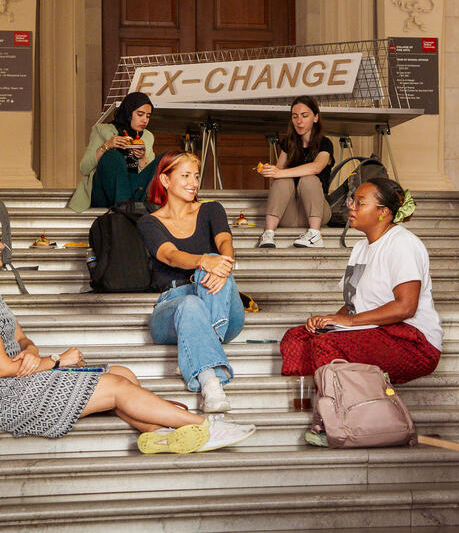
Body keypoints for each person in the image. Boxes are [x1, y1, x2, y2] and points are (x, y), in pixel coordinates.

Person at [0, 213, 253, 454]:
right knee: (118, 388)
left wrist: (28, 353)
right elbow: (1, 369)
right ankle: (205, 426)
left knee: (123, 374)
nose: (2, 245)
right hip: (3, 396)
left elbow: (23, 340)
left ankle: (162, 434)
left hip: (23, 378)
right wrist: (58, 361)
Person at [279, 178, 442, 390]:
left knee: (326, 345)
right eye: (351, 201)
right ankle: (322, 402)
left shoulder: (402, 243)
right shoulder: (360, 248)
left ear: (383, 212)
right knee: (296, 338)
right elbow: (353, 304)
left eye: (360, 203)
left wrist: (349, 322)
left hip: (412, 341)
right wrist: (328, 320)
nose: (351, 208)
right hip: (371, 329)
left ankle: (342, 411)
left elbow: (405, 307)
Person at [138, 151, 248, 415]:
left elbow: (225, 243)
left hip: (221, 302)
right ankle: (211, 383)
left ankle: (198, 346)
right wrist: (203, 262)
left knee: (213, 258)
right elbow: (170, 255)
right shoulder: (149, 222)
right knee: (190, 302)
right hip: (173, 306)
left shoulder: (211, 209)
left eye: (196, 176)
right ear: (165, 180)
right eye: (185, 175)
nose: (193, 182)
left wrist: (221, 265)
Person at [256, 96, 335, 249]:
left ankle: (315, 234)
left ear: (316, 117)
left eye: (304, 116)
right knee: (282, 180)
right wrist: (271, 172)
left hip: (317, 212)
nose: (299, 121)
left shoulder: (325, 143)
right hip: (289, 215)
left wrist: (279, 172)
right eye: (295, 116)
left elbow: (316, 167)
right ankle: (268, 234)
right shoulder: (288, 143)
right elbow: (276, 177)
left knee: (309, 179)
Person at [69, 92, 159, 211]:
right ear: (128, 113)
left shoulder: (147, 137)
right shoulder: (102, 130)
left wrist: (142, 158)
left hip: (133, 189)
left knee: (161, 160)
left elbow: (150, 176)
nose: (145, 120)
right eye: (140, 114)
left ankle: (126, 206)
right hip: (104, 192)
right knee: (112, 156)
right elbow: (84, 168)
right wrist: (107, 145)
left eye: (148, 116)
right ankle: (124, 208)